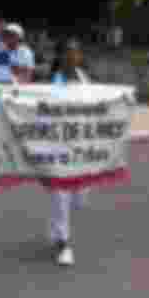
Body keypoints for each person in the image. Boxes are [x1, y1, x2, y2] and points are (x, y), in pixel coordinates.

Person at [47, 38, 91, 266]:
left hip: (82, 147)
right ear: (61, 57)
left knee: (79, 198)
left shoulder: (85, 79)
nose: (73, 56)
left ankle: (55, 230)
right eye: (68, 53)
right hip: (60, 147)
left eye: (77, 52)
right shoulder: (55, 82)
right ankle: (63, 243)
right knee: (61, 196)